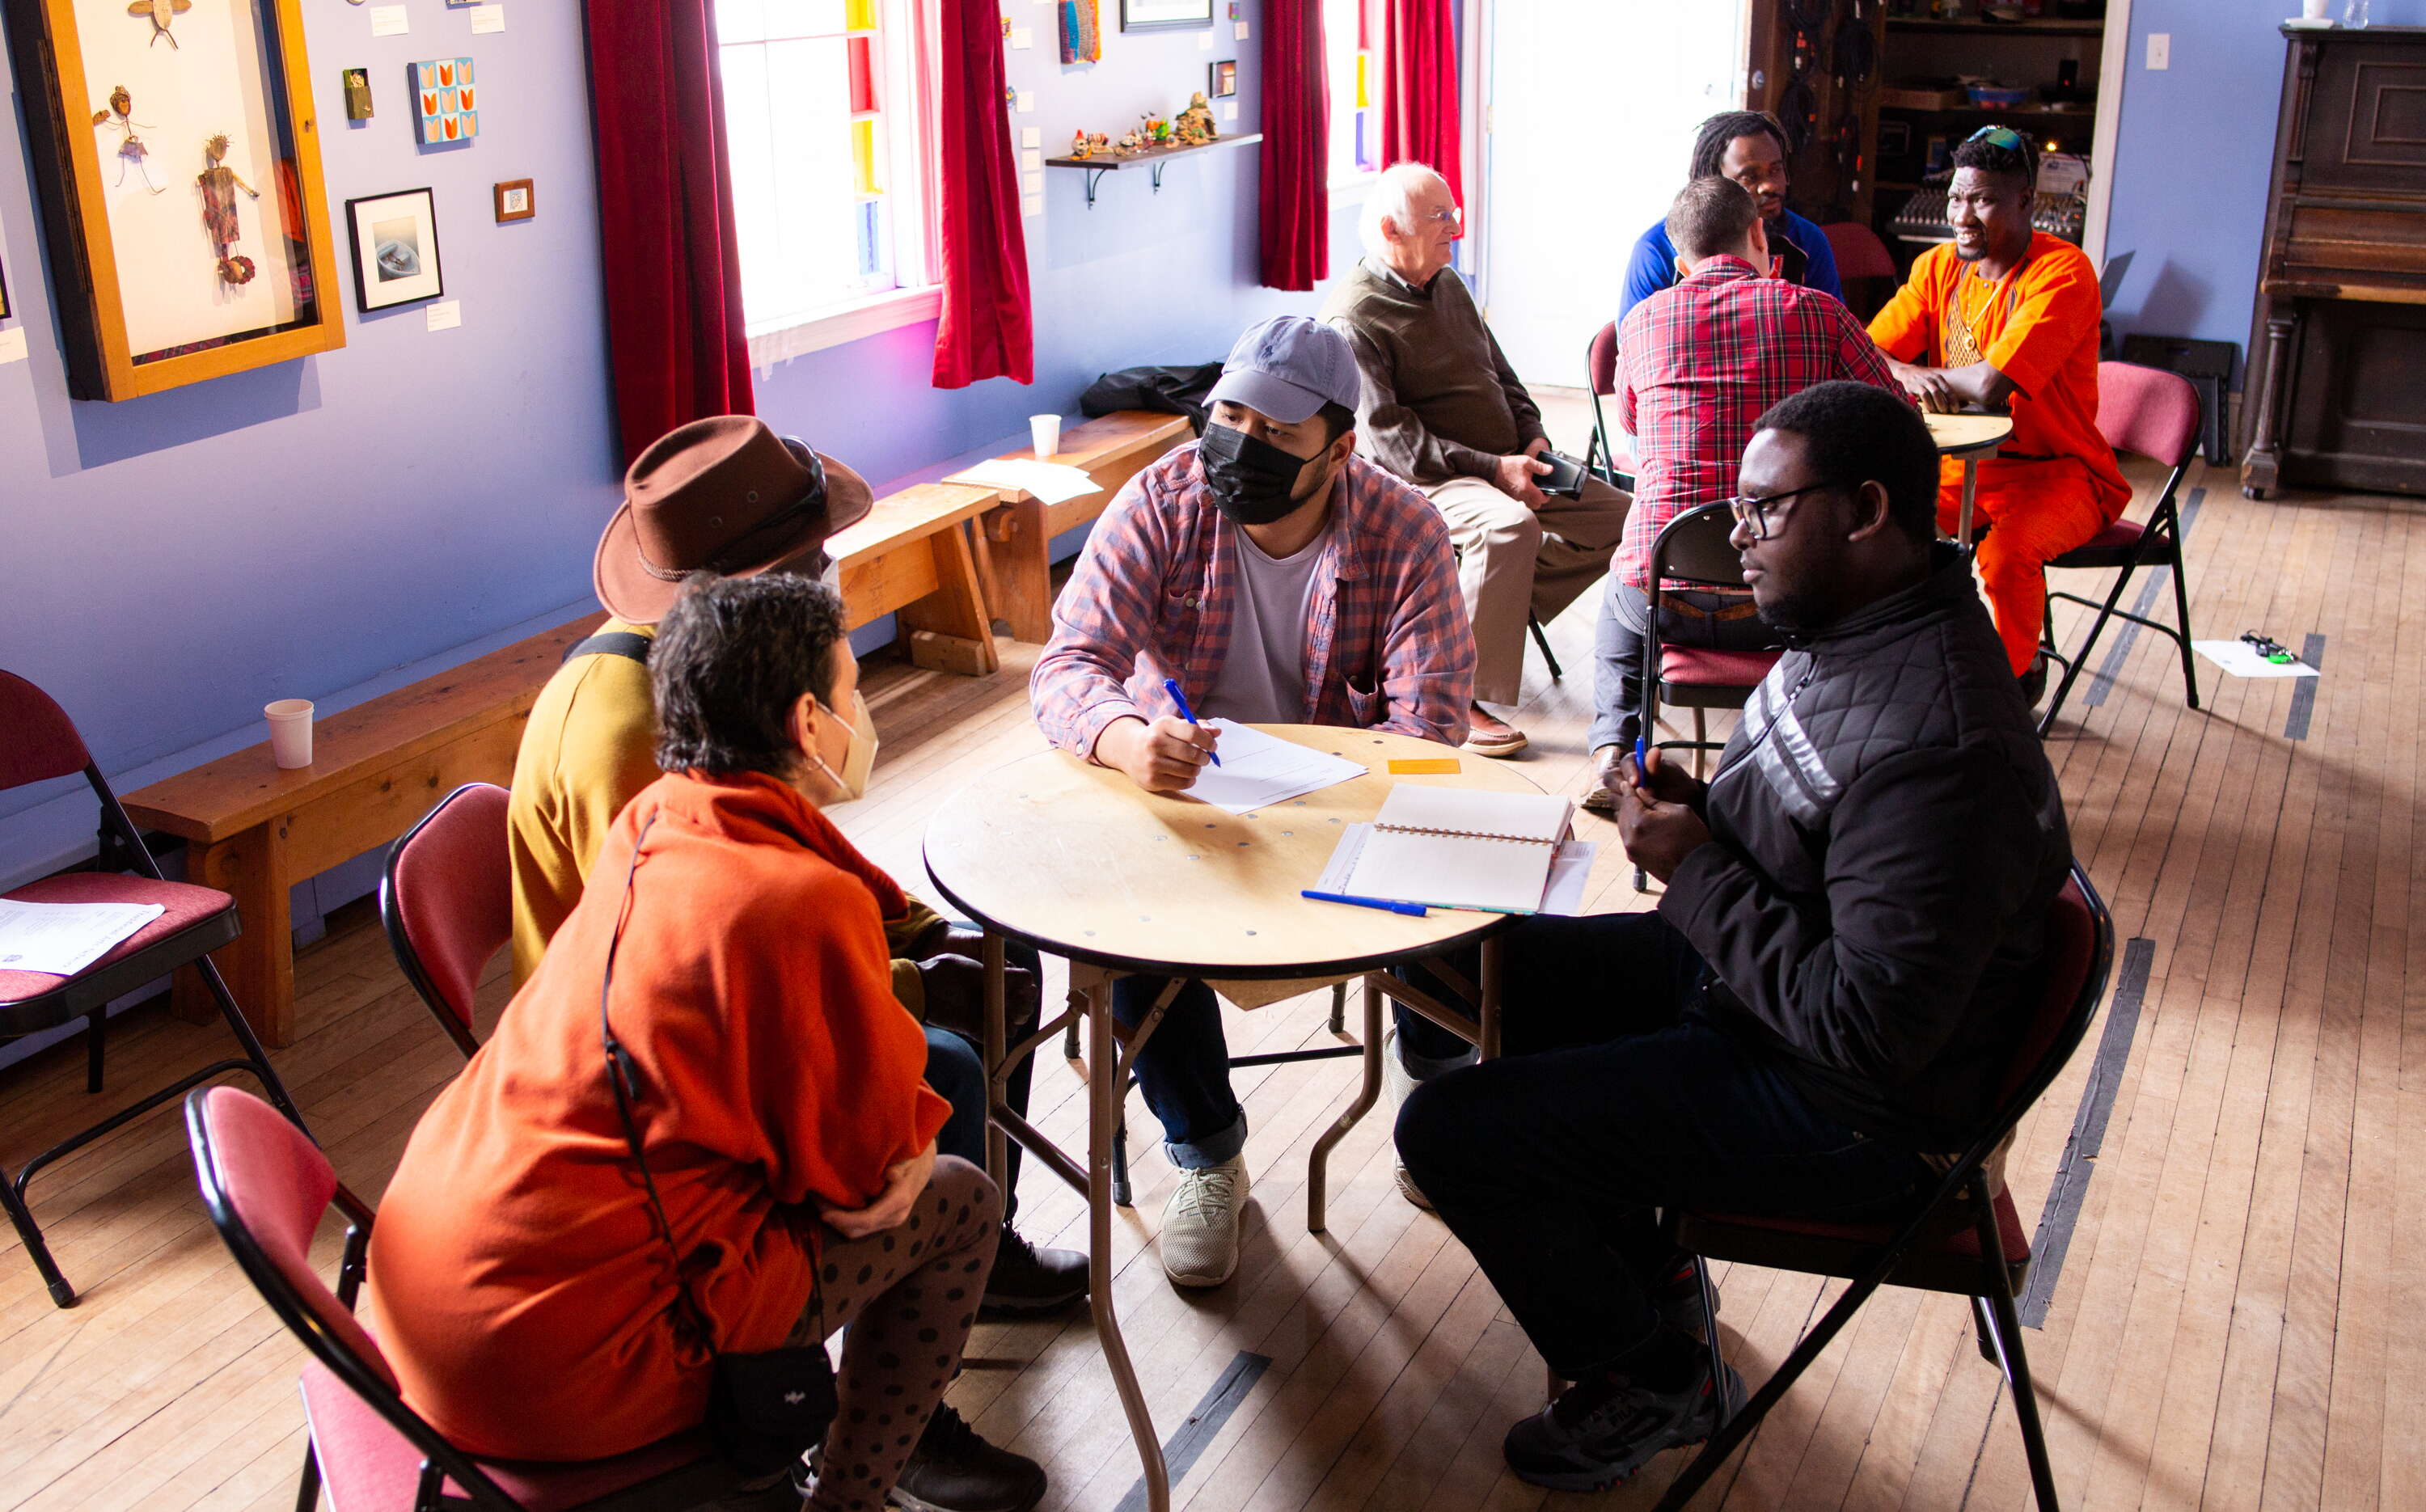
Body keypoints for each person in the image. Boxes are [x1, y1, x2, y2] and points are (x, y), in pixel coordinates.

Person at [1393, 382, 2072, 1492]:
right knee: (1473, 969)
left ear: (1865, 509)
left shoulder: (1942, 746)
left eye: (1765, 511)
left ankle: (1658, 1371)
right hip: (1763, 990)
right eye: (1737, 508)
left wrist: (1696, 863)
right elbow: (1819, 830)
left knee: (1454, 1127)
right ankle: (1650, 1270)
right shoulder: (1857, 626)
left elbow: (1868, 1031)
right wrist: (1703, 810)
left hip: (1855, 1110)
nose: (1736, 538)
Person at [370, 573, 1049, 1512]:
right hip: (557, 1371)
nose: (863, 710)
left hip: (417, 1305)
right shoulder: (799, 902)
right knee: (960, 1202)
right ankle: (848, 1499)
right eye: (854, 690)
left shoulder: (649, 820)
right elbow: (866, 1184)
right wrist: (917, 1139)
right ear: (809, 722)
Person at [504, 417, 1087, 1329]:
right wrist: (895, 978)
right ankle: (919, 1297)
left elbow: (780, 860)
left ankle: (974, 1248)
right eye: (810, 556)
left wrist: (916, 938)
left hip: (733, 983)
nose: (829, 571)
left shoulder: (694, 679)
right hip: (656, 1063)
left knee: (990, 966)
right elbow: (688, 967)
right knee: (952, 1060)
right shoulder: (624, 736)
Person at [1031, 314, 1473, 1290]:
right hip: (1183, 796)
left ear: (1341, 447)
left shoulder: (1405, 531)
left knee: (1462, 862)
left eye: (1276, 433)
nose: (1242, 445)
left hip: (1342, 809)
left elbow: (1432, 729)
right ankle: (1208, 1152)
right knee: (1125, 919)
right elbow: (1068, 665)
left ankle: (1441, 1110)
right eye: (1229, 416)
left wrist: (1334, 796)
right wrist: (1123, 739)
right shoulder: (1161, 501)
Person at [1582, 175, 1906, 813]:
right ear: (1760, 234)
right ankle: (1830, 755)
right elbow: (1892, 414)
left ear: (1679, 262)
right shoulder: (1817, 311)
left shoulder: (1641, 322)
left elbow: (1636, 427)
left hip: (1665, 598)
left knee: (1620, 592)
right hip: (1785, 602)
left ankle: (1610, 752)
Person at [1318, 161, 1629, 758]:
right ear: (1391, 229)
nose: (1455, 229)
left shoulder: (1448, 284)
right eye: (1441, 217)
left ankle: (1485, 612)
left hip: (1506, 461)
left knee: (1628, 520)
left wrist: (1533, 438)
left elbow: (1502, 376)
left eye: (1453, 213)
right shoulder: (1354, 318)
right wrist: (1496, 470)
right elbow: (1394, 447)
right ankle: (1456, 691)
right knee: (1510, 527)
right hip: (1430, 479)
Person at [1868, 126, 2129, 701]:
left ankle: (2007, 691)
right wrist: (1910, 373)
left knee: (2005, 557)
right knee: (1875, 525)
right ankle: (1897, 676)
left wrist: (1912, 374)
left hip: (2061, 472)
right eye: (1957, 198)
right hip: (1962, 468)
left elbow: (1990, 383)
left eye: (1982, 199)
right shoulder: (1937, 267)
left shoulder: (2063, 273)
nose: (1963, 215)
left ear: (2026, 201)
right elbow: (1867, 352)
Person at [1616, 110, 1843, 322]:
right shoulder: (1657, 248)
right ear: (1714, 181)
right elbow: (1631, 347)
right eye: (1749, 177)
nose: (1769, 186)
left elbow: (1834, 328)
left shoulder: (1808, 241)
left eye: (1775, 169)